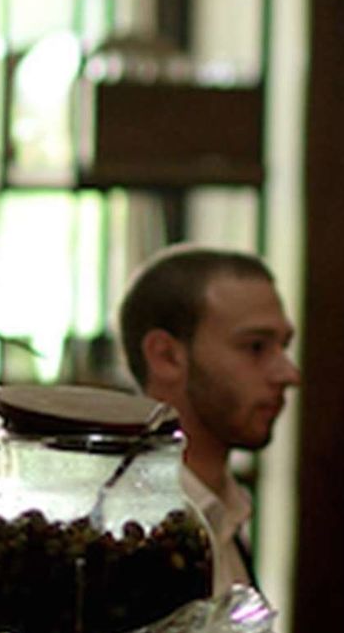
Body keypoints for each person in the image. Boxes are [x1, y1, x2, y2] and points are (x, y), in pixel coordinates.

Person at [118, 245, 304, 596]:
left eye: (283, 346)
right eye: (255, 347)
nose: (288, 373)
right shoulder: (130, 532)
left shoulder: (222, 512)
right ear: (166, 357)